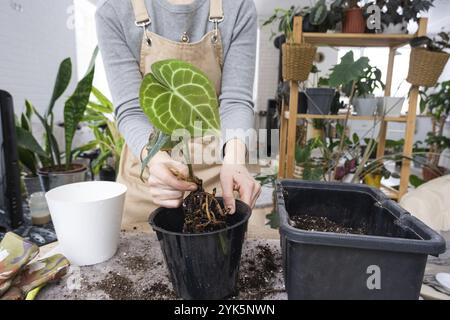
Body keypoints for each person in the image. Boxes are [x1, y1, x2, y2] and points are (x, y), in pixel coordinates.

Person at [96, 0, 261, 229]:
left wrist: (234, 160)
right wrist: (154, 160)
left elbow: (235, 100)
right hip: (151, 176)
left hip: (218, 177)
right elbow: (131, 110)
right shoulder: (114, 11)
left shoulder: (237, 6)